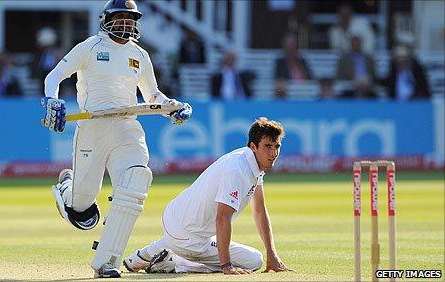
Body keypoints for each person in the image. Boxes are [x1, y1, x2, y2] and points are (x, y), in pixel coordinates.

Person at [40, 0, 192, 278]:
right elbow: (55, 76)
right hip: (93, 126)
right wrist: (53, 101)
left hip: (126, 127)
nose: (125, 23)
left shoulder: (140, 55)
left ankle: (106, 261)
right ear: (106, 20)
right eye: (119, 17)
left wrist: (172, 106)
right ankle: (67, 189)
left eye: (130, 19)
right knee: (83, 210)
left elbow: (152, 96)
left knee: (136, 181)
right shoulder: (91, 47)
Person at [123, 117, 290, 275]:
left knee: (188, 236)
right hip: (188, 237)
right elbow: (222, 218)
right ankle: (173, 265)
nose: (274, 153)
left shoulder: (251, 162)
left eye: (277, 146)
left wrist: (272, 255)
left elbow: (260, 211)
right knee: (253, 260)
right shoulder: (238, 169)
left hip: (175, 220)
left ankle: (137, 259)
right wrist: (226, 266)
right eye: (268, 146)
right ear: (253, 146)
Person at [274, 34, 312, 99]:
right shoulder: (280, 62)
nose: (291, 49)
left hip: (305, 91)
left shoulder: (302, 61)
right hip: (288, 92)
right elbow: (278, 78)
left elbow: (310, 77)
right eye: (289, 47)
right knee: (279, 88)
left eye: (293, 46)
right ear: (285, 48)